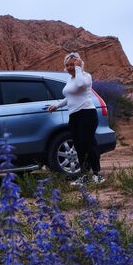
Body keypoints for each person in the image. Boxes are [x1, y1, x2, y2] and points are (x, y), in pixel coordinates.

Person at [48, 52, 105, 185]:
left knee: (88, 144)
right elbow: (69, 97)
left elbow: (80, 85)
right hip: (74, 116)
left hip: (87, 114)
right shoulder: (70, 79)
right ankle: (84, 176)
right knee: (79, 146)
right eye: (67, 65)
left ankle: (97, 175)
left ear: (79, 64)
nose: (69, 67)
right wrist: (57, 105)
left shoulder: (86, 76)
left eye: (72, 64)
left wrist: (78, 68)